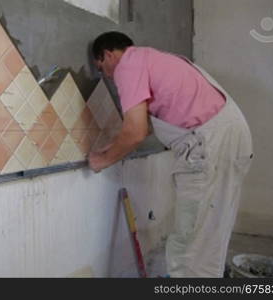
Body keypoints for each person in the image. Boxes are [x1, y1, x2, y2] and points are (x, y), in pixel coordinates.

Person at [88, 31, 253, 277]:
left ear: (109, 55)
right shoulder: (155, 59)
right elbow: (146, 125)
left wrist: (101, 160)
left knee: (189, 242)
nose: (106, 76)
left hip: (209, 143)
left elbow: (135, 132)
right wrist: (112, 145)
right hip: (230, 135)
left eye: (102, 68)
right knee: (209, 233)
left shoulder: (127, 66)